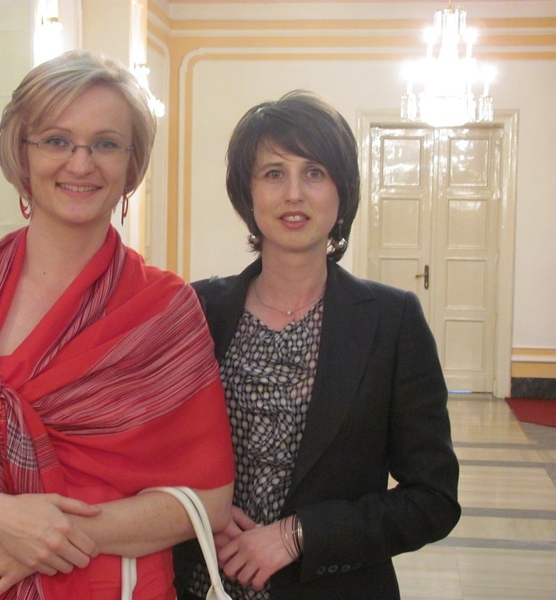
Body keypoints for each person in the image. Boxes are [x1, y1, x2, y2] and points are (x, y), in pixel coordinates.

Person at [0, 50, 234, 600]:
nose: (80, 164)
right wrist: (0, 518)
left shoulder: (163, 309)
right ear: (22, 153)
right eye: (57, 140)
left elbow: (209, 501)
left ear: (131, 164)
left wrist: (48, 535)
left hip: (114, 584)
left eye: (106, 144)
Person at [173, 90, 460, 599]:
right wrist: (197, 512)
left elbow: (432, 499)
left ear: (341, 191)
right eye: (273, 173)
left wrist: (299, 534)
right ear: (247, 193)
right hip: (202, 583)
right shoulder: (196, 310)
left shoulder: (391, 321)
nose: (294, 194)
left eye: (314, 172)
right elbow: (152, 452)